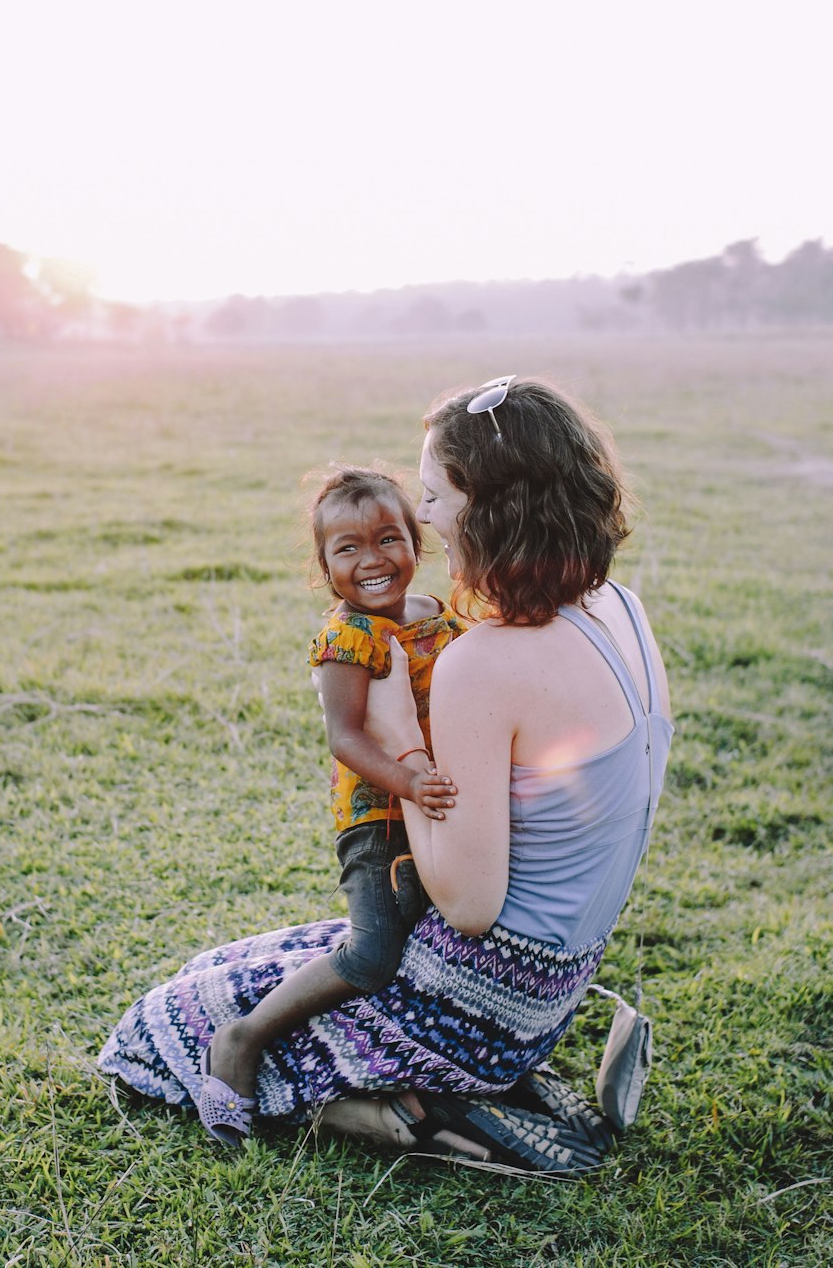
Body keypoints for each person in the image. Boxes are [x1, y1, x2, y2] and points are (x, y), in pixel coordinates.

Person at [99, 376, 673, 1166]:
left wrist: (404, 737)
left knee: (166, 1021)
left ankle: (407, 1107)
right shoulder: (623, 613)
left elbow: (467, 906)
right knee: (228, 965)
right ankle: (432, 1089)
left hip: (481, 1006)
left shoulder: (486, 663)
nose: (425, 517)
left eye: (434, 496)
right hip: (556, 985)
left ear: (490, 509)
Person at [197, 466, 464, 1143]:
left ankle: (414, 1062)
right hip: (380, 818)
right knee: (374, 954)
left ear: (416, 541)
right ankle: (243, 1038)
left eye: (387, 539)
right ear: (324, 566)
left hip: (433, 803)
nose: (372, 561)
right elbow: (345, 737)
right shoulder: (348, 638)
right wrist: (408, 785)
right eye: (348, 549)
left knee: (438, 937)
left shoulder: (436, 614)